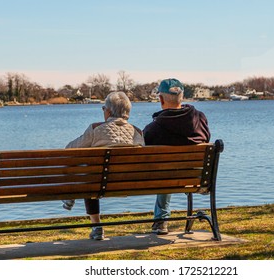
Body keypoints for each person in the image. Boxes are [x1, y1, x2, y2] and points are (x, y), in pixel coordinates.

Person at [62, 91, 144, 240]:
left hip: (96, 183)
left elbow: (69, 149)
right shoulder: (137, 132)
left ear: (108, 111)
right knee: (93, 173)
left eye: (103, 109)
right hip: (128, 183)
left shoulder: (96, 129)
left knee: (90, 174)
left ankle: (94, 223)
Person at [143, 78, 211, 235]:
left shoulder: (154, 128)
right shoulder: (200, 119)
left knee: (165, 172)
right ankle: (161, 221)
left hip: (165, 180)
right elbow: (206, 139)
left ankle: (161, 222)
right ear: (182, 97)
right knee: (169, 170)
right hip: (197, 178)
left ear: (160, 99)